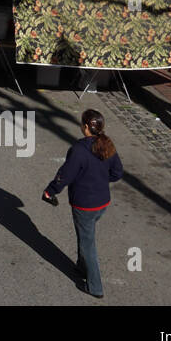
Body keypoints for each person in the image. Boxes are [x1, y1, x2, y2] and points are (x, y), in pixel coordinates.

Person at [44, 110, 125, 299]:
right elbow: (117, 173)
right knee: (85, 234)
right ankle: (82, 268)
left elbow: (65, 174)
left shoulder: (79, 150)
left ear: (86, 127)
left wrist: (50, 191)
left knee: (88, 243)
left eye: (82, 123)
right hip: (102, 202)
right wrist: (100, 181)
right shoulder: (107, 145)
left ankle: (95, 286)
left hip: (84, 205)